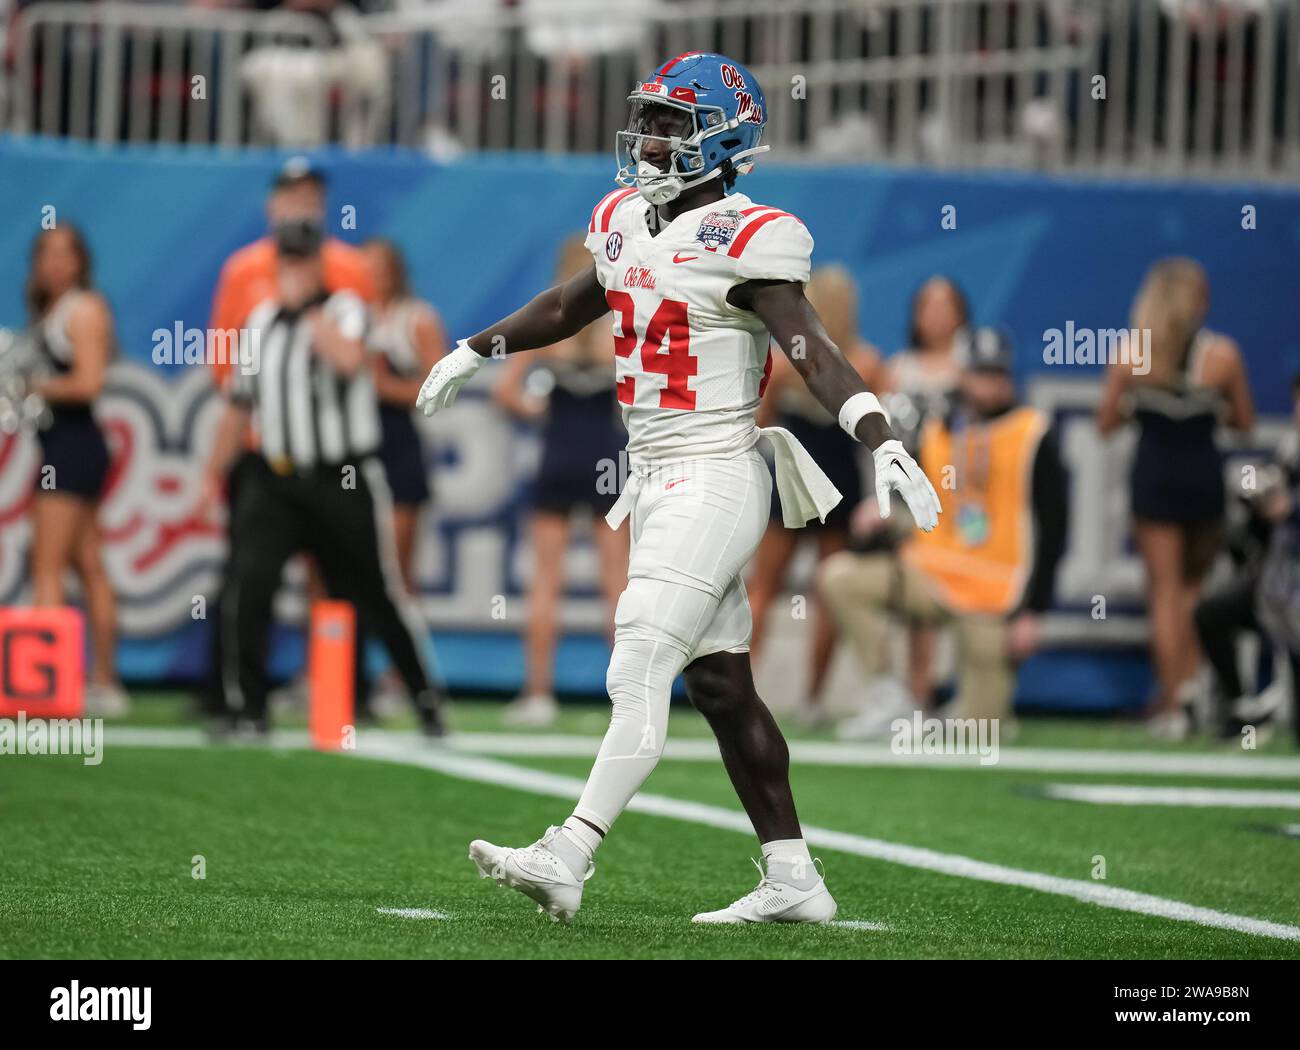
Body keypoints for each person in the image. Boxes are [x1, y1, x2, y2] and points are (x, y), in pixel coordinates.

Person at [417, 52, 940, 924]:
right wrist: (476, 349)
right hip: (655, 477)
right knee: (721, 687)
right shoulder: (627, 216)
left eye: (670, 123)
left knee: (640, 656)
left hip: (717, 473)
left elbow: (810, 347)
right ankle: (793, 876)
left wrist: (877, 433)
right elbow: (570, 304)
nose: (650, 137)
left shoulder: (749, 235)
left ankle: (570, 849)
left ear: (723, 138)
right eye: (648, 118)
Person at [202, 220, 444, 736]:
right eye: (285, 262)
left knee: (374, 592)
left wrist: (310, 310)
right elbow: (239, 406)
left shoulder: (347, 310)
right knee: (250, 584)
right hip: (275, 477)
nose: (293, 270)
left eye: (302, 261)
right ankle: (248, 707)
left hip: (342, 477)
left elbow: (348, 359)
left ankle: (424, 698)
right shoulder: (259, 321)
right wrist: (211, 475)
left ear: (317, 265)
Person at [821, 329, 1067, 737]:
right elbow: (921, 504)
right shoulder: (937, 428)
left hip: (994, 592)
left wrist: (1035, 611)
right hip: (932, 573)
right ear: (962, 375)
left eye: (996, 374)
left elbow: (1055, 526)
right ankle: (887, 696)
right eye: (979, 373)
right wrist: (885, 517)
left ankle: (959, 712)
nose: (988, 384)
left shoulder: (1031, 433)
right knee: (840, 577)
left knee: (981, 730)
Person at [1097, 257, 1254, 739]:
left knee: (1164, 594)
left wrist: (1139, 407)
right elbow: (1243, 424)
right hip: (1202, 478)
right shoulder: (1222, 356)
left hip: (1157, 477)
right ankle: (1191, 695)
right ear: (1197, 300)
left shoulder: (1132, 355)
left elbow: (1105, 424)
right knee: (1192, 593)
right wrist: (1203, 408)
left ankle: (1173, 704)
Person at [492, 234, 629, 728]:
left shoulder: (551, 325)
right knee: (617, 581)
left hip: (557, 453)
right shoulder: (617, 321)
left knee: (546, 580)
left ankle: (538, 694)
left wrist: (538, 412)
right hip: (605, 460)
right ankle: (629, 699)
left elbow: (506, 393)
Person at [746, 265, 885, 724]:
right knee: (826, 590)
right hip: (839, 480)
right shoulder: (865, 362)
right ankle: (811, 698)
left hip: (794, 476)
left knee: (765, 585)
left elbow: (760, 424)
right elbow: (881, 428)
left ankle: (742, 694)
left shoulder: (787, 360)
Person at [25, 225, 127, 715]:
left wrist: (30, 386)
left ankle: (45, 683)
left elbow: (88, 384)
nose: (56, 263)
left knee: (47, 565)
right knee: (88, 564)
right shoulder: (57, 310)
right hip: (69, 445)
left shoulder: (83, 309)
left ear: (81, 260)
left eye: (66, 254)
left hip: (73, 445)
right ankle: (104, 683)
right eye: (47, 254)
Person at [360, 238, 446, 591]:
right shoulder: (340, 317)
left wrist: (384, 387)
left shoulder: (416, 320)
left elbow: (441, 386)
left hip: (396, 444)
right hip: (348, 447)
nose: (373, 277)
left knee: (396, 568)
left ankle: (401, 639)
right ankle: (335, 644)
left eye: (380, 269)